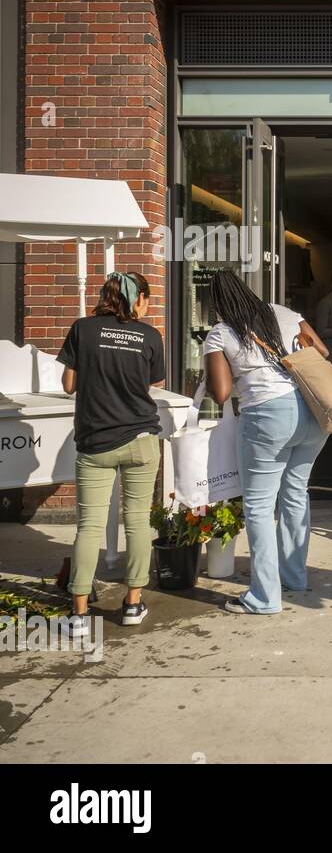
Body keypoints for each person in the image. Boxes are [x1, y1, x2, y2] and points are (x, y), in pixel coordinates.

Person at [203, 268, 331, 614]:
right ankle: (295, 577)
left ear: (217, 304)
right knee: (295, 492)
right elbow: (322, 350)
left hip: (268, 417)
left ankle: (264, 597)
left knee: (259, 506)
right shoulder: (284, 312)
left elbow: (221, 392)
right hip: (313, 411)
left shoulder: (220, 333)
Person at [56, 272, 165, 636]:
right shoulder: (150, 336)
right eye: (147, 300)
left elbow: (69, 385)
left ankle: (79, 614)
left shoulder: (82, 329)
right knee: (136, 522)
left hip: (95, 442)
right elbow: (154, 383)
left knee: (88, 527)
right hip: (140, 440)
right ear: (139, 300)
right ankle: (133, 603)